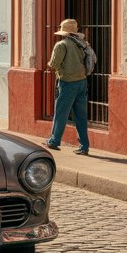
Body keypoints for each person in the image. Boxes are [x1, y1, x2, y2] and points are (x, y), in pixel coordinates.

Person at [45, 18, 90, 156]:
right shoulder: (83, 44)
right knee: (81, 115)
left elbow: (53, 64)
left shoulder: (61, 45)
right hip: (82, 82)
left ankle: (54, 141)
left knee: (61, 113)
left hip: (67, 82)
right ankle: (84, 146)